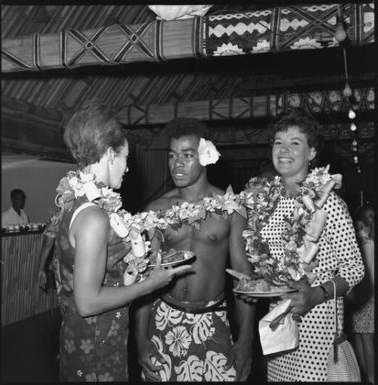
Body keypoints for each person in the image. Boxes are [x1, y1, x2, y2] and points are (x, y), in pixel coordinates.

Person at [52, 103, 192, 382]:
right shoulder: (94, 217)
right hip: (95, 345)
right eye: (126, 156)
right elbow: (88, 302)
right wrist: (149, 285)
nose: (128, 167)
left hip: (90, 337)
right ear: (109, 154)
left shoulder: (80, 204)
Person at [135, 117, 255, 382]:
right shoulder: (156, 210)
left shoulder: (230, 208)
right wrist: (141, 338)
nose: (177, 163)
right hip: (164, 318)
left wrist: (246, 339)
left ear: (206, 156)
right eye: (172, 155)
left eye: (187, 155)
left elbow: (244, 277)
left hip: (212, 321)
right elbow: (144, 277)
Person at [258, 108, 364, 381]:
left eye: (295, 143)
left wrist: (316, 295)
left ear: (312, 153)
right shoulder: (268, 203)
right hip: (279, 327)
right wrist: (260, 284)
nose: (284, 149)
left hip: (318, 328)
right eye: (278, 142)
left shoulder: (328, 202)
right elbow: (271, 260)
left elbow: (355, 269)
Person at [348, 204, 374, 383]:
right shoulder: (368, 241)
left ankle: (368, 376)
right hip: (367, 295)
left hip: (359, 295)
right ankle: (370, 377)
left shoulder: (357, 242)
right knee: (364, 337)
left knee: (361, 336)